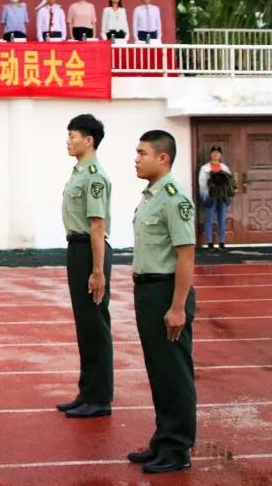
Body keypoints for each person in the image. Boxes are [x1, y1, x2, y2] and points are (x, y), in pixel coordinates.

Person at [126, 129, 196, 475]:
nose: (136, 159)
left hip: (167, 292)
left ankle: (177, 448)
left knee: (174, 373)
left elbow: (186, 254)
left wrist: (178, 307)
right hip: (147, 291)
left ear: (163, 158)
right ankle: (163, 439)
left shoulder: (173, 198)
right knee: (159, 370)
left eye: (143, 153)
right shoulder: (151, 196)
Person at [57, 115, 114, 419]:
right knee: (85, 325)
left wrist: (98, 271)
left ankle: (100, 398)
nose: (68, 141)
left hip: (90, 251)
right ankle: (87, 392)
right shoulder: (79, 171)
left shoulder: (94, 175)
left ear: (89, 140)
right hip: (77, 249)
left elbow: (97, 225)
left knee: (95, 326)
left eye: (73, 135)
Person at [198, 146, 234, 249]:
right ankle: (209, 243)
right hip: (211, 195)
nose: (215, 154)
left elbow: (229, 182)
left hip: (222, 196)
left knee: (222, 219)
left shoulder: (224, 168)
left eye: (218, 153)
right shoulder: (205, 168)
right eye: (213, 152)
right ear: (210, 154)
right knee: (209, 219)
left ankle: (222, 242)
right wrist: (205, 196)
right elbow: (202, 183)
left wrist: (228, 195)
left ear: (220, 155)